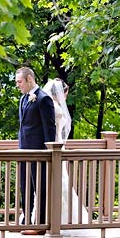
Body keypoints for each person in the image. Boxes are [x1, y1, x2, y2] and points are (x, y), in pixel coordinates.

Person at [43, 78, 91, 226]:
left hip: (56, 146)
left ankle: (49, 218)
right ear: (62, 92)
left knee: (57, 182)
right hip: (56, 147)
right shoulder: (54, 106)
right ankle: (61, 219)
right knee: (59, 182)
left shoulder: (51, 104)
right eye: (66, 93)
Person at [15, 67, 56, 235]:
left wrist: (48, 152)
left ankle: (39, 225)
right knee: (25, 187)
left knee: (40, 188)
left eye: (20, 82)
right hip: (24, 151)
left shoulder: (43, 99)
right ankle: (26, 220)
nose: (18, 85)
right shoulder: (24, 99)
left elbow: (50, 128)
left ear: (29, 79)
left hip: (39, 153)